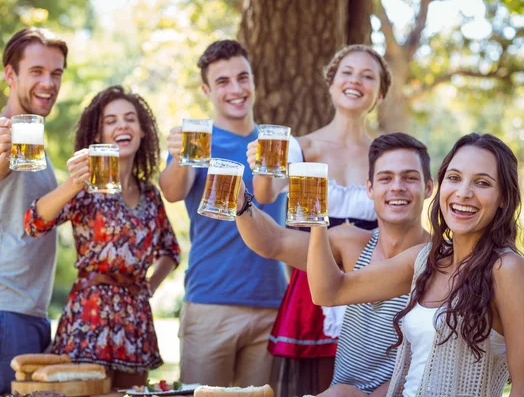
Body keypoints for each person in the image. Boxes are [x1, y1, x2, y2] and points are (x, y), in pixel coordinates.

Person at [307, 133, 524, 397]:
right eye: (454, 178)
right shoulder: (424, 260)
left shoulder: (506, 269)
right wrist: (317, 218)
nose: (463, 193)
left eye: (482, 183)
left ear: (503, 197)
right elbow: (329, 292)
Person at [236, 133, 433, 396]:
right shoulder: (351, 243)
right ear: (370, 189)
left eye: (410, 178)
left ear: (429, 188)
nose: (397, 186)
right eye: (386, 178)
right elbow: (274, 242)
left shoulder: (439, 259)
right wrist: (240, 203)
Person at [246, 44, 392, 397]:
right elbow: (265, 195)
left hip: (372, 293)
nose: (355, 81)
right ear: (331, 83)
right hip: (313, 289)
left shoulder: (386, 156)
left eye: (367, 76)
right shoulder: (301, 147)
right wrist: (260, 166)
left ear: (380, 93)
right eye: (347, 72)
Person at [159, 40, 298, 387]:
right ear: (206, 89)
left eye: (242, 77)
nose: (236, 89)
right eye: (223, 81)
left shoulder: (273, 144)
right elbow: (172, 192)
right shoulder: (198, 140)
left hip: (270, 301)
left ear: (253, 80)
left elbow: (267, 194)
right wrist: (177, 154)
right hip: (210, 302)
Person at [24, 86, 180, 389]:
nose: (122, 125)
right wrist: (71, 183)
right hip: (89, 316)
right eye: (111, 120)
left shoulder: (151, 195)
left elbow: (171, 250)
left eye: (130, 118)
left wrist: (149, 287)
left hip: (136, 322)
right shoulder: (84, 188)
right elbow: (33, 223)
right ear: (98, 135)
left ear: (143, 131)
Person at [0, 27, 68, 396]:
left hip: (25, 312)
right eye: (36, 71)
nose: (48, 83)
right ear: (10, 75)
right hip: (0, 311)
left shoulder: (36, 145)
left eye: (56, 73)